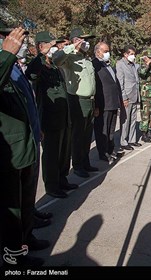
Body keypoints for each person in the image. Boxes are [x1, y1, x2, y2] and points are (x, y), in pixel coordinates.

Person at [0, 26, 48, 266]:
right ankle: (13, 258)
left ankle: (26, 238)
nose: (11, 40)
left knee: (27, 199)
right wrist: (6, 54)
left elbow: (26, 100)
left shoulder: (14, 66)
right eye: (4, 36)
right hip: (9, 150)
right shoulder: (5, 62)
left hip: (26, 142)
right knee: (12, 210)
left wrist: (35, 124)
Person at [25, 31, 77, 199]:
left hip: (63, 116)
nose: (55, 48)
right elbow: (30, 74)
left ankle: (62, 179)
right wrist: (41, 55)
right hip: (49, 119)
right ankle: (52, 186)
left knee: (63, 151)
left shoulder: (54, 65)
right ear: (41, 46)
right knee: (51, 154)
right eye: (52, 45)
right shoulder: (38, 65)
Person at [52, 27, 98, 178]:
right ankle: (78, 165)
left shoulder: (87, 59)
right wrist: (72, 47)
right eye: (83, 40)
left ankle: (85, 163)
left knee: (86, 136)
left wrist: (95, 103)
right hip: (78, 100)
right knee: (78, 136)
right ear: (76, 40)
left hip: (90, 101)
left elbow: (91, 82)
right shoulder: (69, 58)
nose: (87, 43)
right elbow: (56, 60)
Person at [92, 42, 124, 162]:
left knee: (111, 129)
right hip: (103, 104)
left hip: (113, 102)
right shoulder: (94, 65)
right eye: (105, 51)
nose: (108, 53)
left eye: (108, 51)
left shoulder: (108, 65)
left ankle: (111, 150)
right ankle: (103, 153)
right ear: (98, 51)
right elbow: (95, 86)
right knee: (103, 130)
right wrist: (95, 105)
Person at [116, 45, 142, 150]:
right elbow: (120, 82)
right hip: (127, 96)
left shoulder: (134, 65)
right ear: (125, 54)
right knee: (125, 120)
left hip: (135, 96)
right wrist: (124, 97)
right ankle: (123, 141)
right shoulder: (120, 65)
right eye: (131, 54)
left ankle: (132, 139)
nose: (133, 56)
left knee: (133, 119)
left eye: (134, 54)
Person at [138, 49, 151, 143]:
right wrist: (147, 64)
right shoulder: (142, 67)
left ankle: (149, 131)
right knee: (145, 115)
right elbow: (142, 73)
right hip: (145, 95)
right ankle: (144, 133)